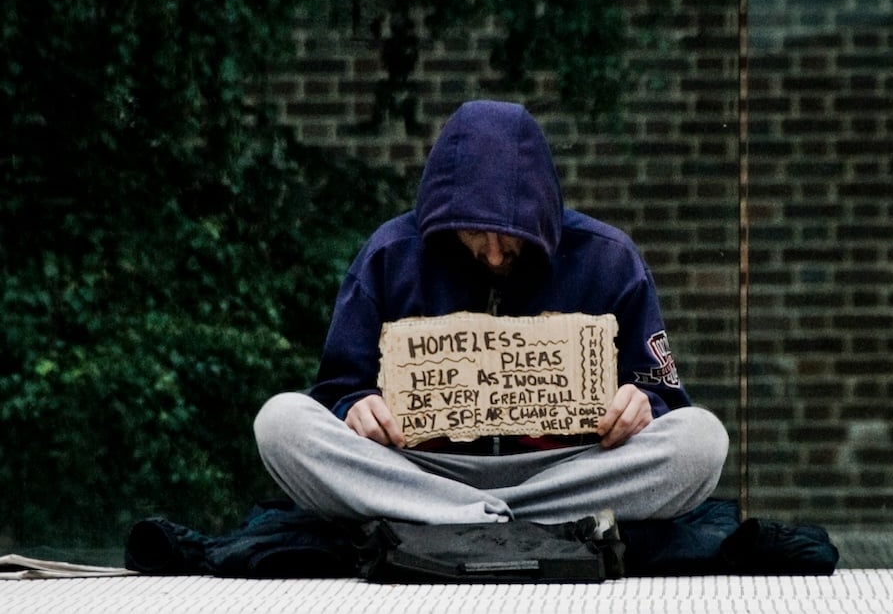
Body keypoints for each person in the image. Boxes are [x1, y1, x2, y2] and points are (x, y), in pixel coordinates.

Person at [254, 100, 728, 527]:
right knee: (281, 422)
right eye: (476, 236)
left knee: (700, 440)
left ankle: (472, 518)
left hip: (568, 470)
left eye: (512, 237)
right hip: (420, 470)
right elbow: (337, 389)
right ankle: (478, 513)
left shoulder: (608, 259)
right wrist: (354, 406)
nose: (496, 256)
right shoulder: (390, 256)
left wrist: (642, 405)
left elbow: (663, 399)